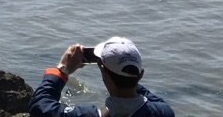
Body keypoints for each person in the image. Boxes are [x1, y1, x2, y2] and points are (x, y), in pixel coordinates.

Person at [31, 37, 174, 117]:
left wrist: (63, 69)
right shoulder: (163, 112)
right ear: (141, 74)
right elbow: (148, 97)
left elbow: (40, 106)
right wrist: (127, 75)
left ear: (103, 72)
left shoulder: (91, 115)